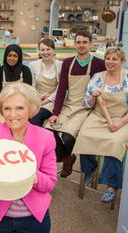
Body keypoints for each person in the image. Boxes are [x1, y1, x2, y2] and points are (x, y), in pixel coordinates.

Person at [0, 83, 57, 233]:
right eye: (7, 108)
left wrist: (29, 173)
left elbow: (49, 183)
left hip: (34, 218)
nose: (12, 114)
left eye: (20, 108)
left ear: (31, 109)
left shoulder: (45, 137)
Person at [47, 31, 105, 178]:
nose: (81, 45)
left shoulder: (100, 64)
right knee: (48, 130)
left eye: (84, 42)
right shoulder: (67, 63)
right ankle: (67, 157)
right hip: (68, 105)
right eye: (78, 42)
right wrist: (55, 113)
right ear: (74, 44)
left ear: (90, 44)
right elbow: (61, 89)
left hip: (85, 108)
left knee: (67, 136)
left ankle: (65, 157)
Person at [73, 47, 128, 202]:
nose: (110, 62)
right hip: (98, 116)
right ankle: (90, 170)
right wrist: (93, 97)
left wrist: (120, 123)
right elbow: (87, 103)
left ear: (122, 61)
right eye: (108, 58)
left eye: (114, 59)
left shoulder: (127, 78)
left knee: (114, 142)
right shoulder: (98, 77)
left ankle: (112, 186)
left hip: (121, 118)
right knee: (84, 135)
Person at [0, 44, 33, 125]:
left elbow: (28, 91)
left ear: (19, 58)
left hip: (21, 103)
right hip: (3, 103)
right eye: (9, 55)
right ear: (5, 56)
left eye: (15, 56)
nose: (12, 58)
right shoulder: (0, 70)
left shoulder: (25, 70)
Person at [29, 38, 63, 126]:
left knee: (37, 117)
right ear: (39, 51)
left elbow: (60, 89)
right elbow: (32, 86)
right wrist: (37, 98)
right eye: (42, 50)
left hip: (52, 101)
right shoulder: (33, 65)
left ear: (53, 50)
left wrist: (44, 102)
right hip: (36, 99)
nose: (45, 52)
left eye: (48, 49)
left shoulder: (60, 65)